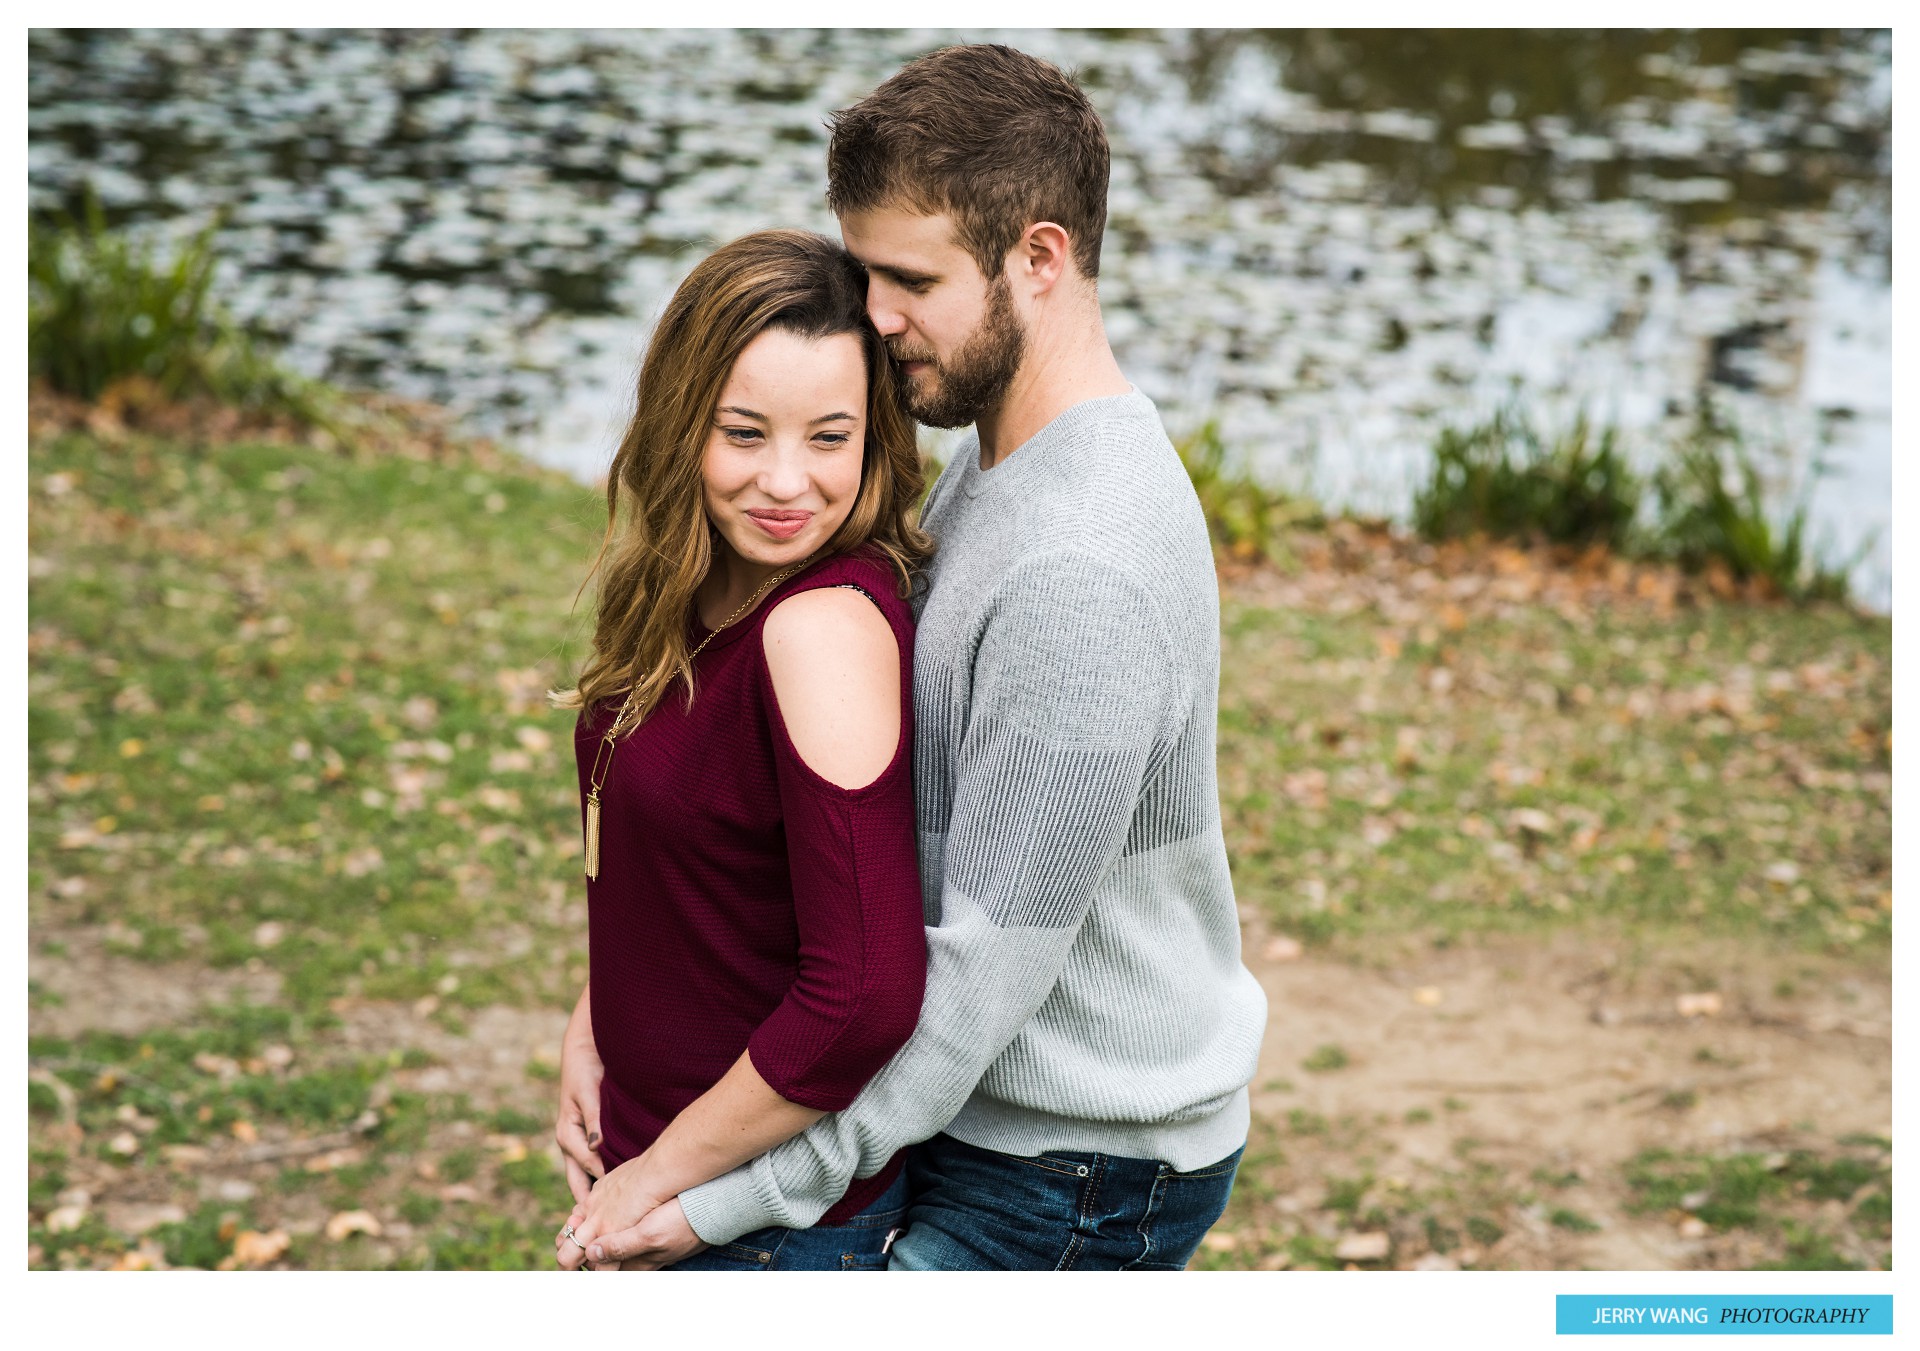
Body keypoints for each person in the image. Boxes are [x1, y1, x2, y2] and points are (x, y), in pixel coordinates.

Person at [571, 43, 1270, 1274]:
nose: (873, 317)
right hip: (969, 1120)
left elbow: (967, 989)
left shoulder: (1080, 568)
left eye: (907, 279)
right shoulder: (1004, 452)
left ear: (1038, 259)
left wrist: (717, 1197)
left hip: (1067, 1165)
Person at [547, 228, 933, 1271]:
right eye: (745, 432)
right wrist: (594, 1026)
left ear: (873, 441)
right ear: (684, 425)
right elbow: (691, 864)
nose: (786, 482)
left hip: (758, 1227)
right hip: (662, 1161)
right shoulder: (696, 592)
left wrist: (661, 1175)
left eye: (828, 437)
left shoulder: (817, 630)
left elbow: (864, 997)